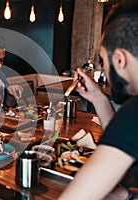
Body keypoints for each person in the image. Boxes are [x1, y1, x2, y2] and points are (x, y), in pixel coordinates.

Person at [59, 0, 138, 199]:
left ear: (119, 59)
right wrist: (126, 194)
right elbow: (128, 140)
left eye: (104, 60)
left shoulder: (134, 113)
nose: (105, 70)